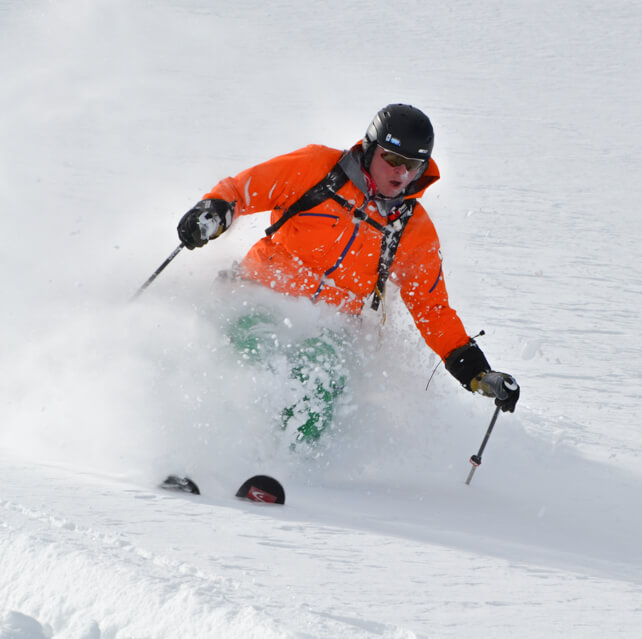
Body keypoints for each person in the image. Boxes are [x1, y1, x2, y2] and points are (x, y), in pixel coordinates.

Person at [177, 104, 519, 439]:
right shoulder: (318, 169)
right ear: (370, 150)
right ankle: (203, 446)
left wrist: (475, 370)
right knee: (255, 357)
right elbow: (242, 190)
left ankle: (276, 470)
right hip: (259, 295)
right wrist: (213, 211)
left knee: (322, 376)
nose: (401, 173)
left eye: (413, 165)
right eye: (393, 159)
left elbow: (431, 308)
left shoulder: (411, 229)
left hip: (331, 325)